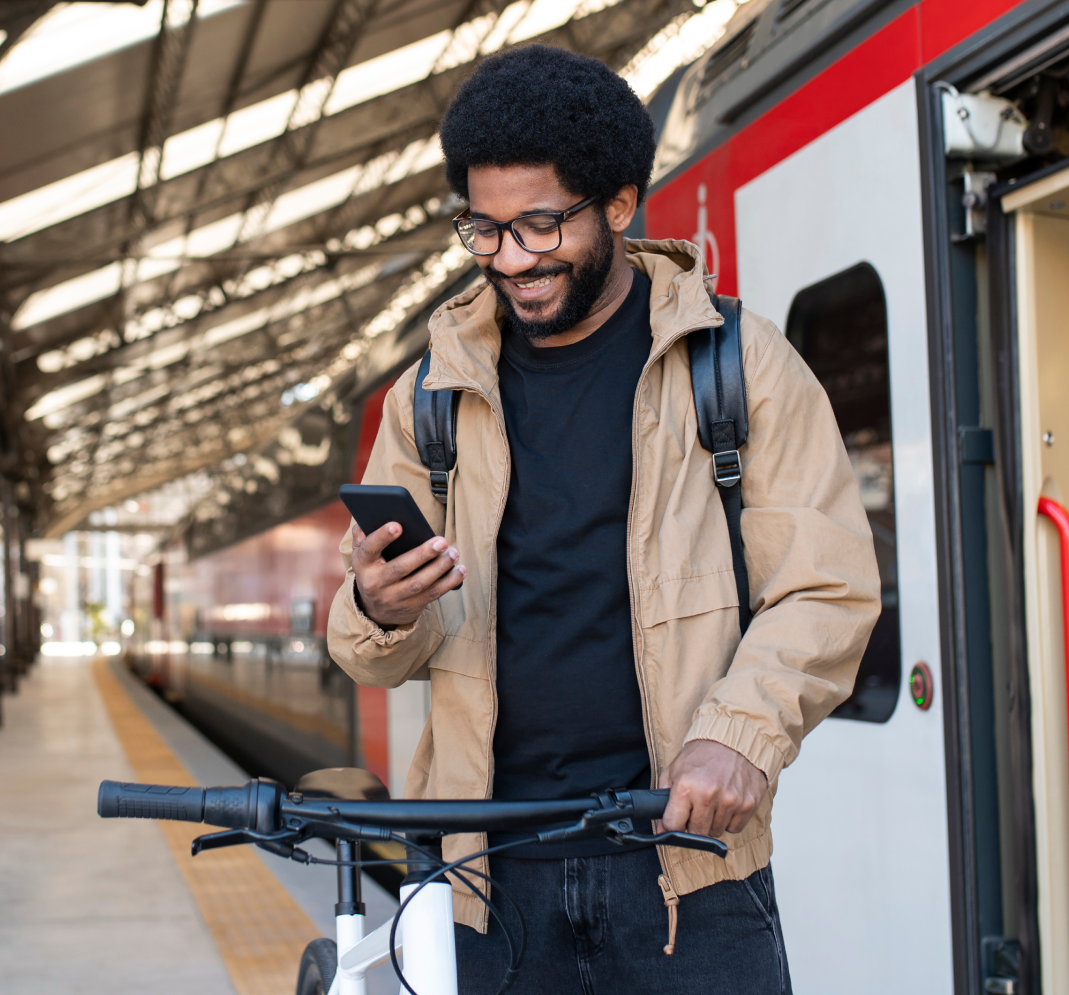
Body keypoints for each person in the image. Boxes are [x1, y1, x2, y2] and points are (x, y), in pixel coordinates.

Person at [325, 45, 880, 994]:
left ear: (619, 206)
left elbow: (825, 586)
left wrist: (741, 735)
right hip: (485, 879)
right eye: (485, 231)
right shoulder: (432, 396)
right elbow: (372, 653)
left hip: (686, 871)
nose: (513, 260)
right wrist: (377, 606)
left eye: (541, 226)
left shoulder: (739, 365)